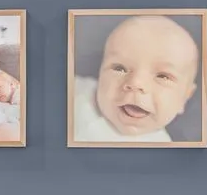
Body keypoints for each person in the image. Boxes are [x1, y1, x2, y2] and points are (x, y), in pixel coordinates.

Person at [72, 14, 199, 143]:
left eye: (162, 76)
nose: (136, 83)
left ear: (185, 97)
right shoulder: (75, 89)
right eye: (119, 68)